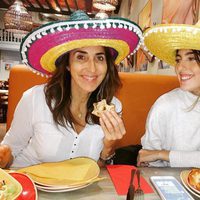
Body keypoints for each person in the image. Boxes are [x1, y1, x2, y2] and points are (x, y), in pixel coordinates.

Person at [0, 10, 143, 168]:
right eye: (81, 57)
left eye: (99, 58)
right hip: (30, 184)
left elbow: (96, 169)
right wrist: (4, 156)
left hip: (77, 191)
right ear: (67, 64)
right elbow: (11, 149)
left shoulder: (113, 106)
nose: (92, 68)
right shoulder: (35, 98)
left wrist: (109, 146)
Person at [137, 22, 200, 168]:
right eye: (178, 60)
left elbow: (155, 154)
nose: (180, 67)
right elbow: (146, 158)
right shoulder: (165, 104)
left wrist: (163, 154)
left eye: (191, 58)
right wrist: (155, 155)